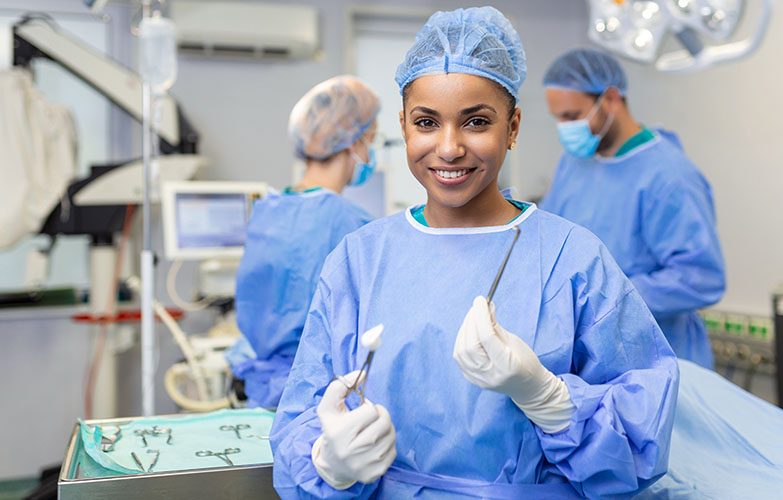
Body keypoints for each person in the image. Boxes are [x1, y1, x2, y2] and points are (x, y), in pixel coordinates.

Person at [270, 7, 678, 499]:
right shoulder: (359, 259)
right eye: (426, 122)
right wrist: (328, 463)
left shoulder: (573, 258)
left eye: (476, 122)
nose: (448, 148)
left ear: (513, 127)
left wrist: (549, 400)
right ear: (403, 127)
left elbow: (640, 439)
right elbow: (301, 413)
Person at [540, 48, 726, 369]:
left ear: (610, 99)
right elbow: (551, 239)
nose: (564, 128)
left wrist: (607, 297)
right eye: (558, 118)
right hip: (593, 356)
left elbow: (700, 278)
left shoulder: (668, 176)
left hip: (657, 359)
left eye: (571, 116)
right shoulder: (574, 164)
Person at [225, 75, 379, 408]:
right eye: (371, 140)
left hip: (263, 389)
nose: (371, 152)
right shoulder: (350, 223)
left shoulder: (268, 208)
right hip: (316, 396)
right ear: (352, 143)